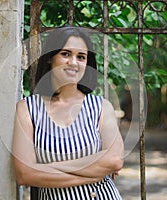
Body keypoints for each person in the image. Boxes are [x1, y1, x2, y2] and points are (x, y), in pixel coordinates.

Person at [12, 26, 124, 200]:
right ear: (50, 58)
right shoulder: (27, 109)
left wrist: (46, 168)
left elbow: (114, 160)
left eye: (81, 57)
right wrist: (96, 172)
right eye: (65, 54)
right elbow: (25, 174)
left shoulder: (101, 107)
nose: (73, 62)